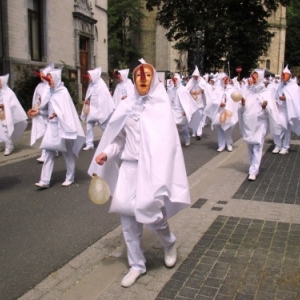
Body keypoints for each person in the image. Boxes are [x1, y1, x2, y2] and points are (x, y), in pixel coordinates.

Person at [88, 59, 190, 287]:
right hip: (129, 168)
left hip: (151, 171)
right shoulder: (125, 105)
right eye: (138, 75)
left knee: (153, 216)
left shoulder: (161, 108)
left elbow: (168, 145)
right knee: (127, 219)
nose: (142, 79)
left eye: (147, 75)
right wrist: (106, 152)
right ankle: (137, 265)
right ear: (133, 79)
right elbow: (119, 138)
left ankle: (169, 242)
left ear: (154, 80)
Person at [31, 68, 85, 188]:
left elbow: (68, 112)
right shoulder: (50, 92)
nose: (48, 80)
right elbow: (46, 111)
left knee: (67, 153)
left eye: (50, 78)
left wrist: (58, 114)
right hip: (52, 127)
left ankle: (70, 177)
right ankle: (44, 181)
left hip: (64, 128)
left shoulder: (63, 92)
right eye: (48, 78)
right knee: (49, 152)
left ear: (56, 79)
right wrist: (38, 113)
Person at [238, 69, 280, 181]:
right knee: (250, 145)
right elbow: (243, 109)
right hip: (249, 123)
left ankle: (253, 170)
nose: (253, 78)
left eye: (256, 76)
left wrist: (263, 108)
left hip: (260, 123)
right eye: (252, 76)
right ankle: (252, 165)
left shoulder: (266, 93)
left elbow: (270, 111)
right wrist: (242, 105)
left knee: (257, 145)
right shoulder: (248, 91)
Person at [81, 67, 115, 151]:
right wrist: (87, 101)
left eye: (90, 75)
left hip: (100, 110)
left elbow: (104, 100)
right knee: (89, 126)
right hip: (92, 109)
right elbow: (89, 95)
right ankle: (89, 144)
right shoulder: (91, 85)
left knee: (104, 126)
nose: (89, 77)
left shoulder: (101, 85)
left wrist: (102, 111)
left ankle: (111, 140)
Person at [204, 73, 239, 152]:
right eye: (224, 79)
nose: (226, 80)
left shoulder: (232, 89)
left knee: (227, 128)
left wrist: (229, 104)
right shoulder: (218, 89)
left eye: (227, 78)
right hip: (219, 111)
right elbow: (213, 99)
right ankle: (221, 144)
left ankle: (229, 143)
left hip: (228, 111)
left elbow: (235, 99)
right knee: (220, 129)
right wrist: (219, 103)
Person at [28, 63, 55, 162]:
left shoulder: (50, 86)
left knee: (48, 133)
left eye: (43, 74)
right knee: (46, 133)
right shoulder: (39, 86)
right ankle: (51, 150)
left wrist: (41, 107)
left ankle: (46, 153)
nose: (41, 76)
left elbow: (49, 101)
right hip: (41, 112)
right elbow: (37, 99)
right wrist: (36, 107)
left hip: (48, 113)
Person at [272, 65, 300, 154]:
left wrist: (286, 98)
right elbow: (276, 95)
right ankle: (277, 145)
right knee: (276, 127)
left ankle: (285, 147)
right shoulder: (280, 85)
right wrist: (275, 101)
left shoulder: (294, 86)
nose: (283, 77)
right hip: (278, 109)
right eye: (282, 75)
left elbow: (295, 98)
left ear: (289, 76)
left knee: (286, 128)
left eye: (285, 75)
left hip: (287, 110)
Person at [169, 73, 200, 146]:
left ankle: (187, 138)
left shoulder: (183, 90)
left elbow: (187, 101)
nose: (174, 81)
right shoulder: (172, 89)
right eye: (174, 80)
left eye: (176, 80)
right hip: (173, 111)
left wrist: (185, 110)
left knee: (183, 127)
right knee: (173, 127)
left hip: (181, 112)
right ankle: (175, 142)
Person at [0, 74, 28, 155]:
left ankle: (9, 146)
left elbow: (13, 105)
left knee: (6, 129)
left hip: (5, 114)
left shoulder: (9, 93)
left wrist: (4, 105)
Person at [185, 66, 207, 140]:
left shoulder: (202, 82)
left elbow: (206, 91)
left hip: (200, 102)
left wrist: (203, 91)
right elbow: (186, 90)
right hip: (193, 102)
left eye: (196, 76)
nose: (195, 78)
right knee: (194, 117)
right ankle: (194, 131)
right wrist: (190, 93)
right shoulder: (191, 81)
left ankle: (199, 133)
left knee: (200, 118)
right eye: (194, 76)